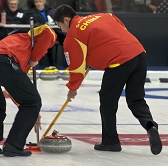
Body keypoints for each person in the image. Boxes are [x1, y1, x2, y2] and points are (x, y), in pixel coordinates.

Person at [53, 4, 162, 155]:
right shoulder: (104, 15)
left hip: (119, 61)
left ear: (66, 19)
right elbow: (119, 31)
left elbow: (76, 67)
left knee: (107, 100)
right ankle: (150, 126)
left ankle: (111, 141)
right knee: (136, 99)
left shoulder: (73, 34)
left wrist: (72, 89)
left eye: (60, 26)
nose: (62, 30)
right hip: (139, 53)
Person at [0, 24, 57, 157]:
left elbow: (13, 90)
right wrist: (34, 59)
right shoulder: (29, 38)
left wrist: (31, 113)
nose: (45, 52)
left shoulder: (15, 43)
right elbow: (49, 32)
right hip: (3, 61)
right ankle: (14, 145)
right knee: (33, 101)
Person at [32, 0, 65, 69]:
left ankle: (69, 64)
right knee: (48, 41)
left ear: (44, 2)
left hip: (56, 31)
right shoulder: (32, 13)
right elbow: (34, 25)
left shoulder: (52, 11)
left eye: (40, 2)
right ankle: (52, 65)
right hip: (44, 34)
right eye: (36, 2)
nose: (38, 4)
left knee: (66, 41)